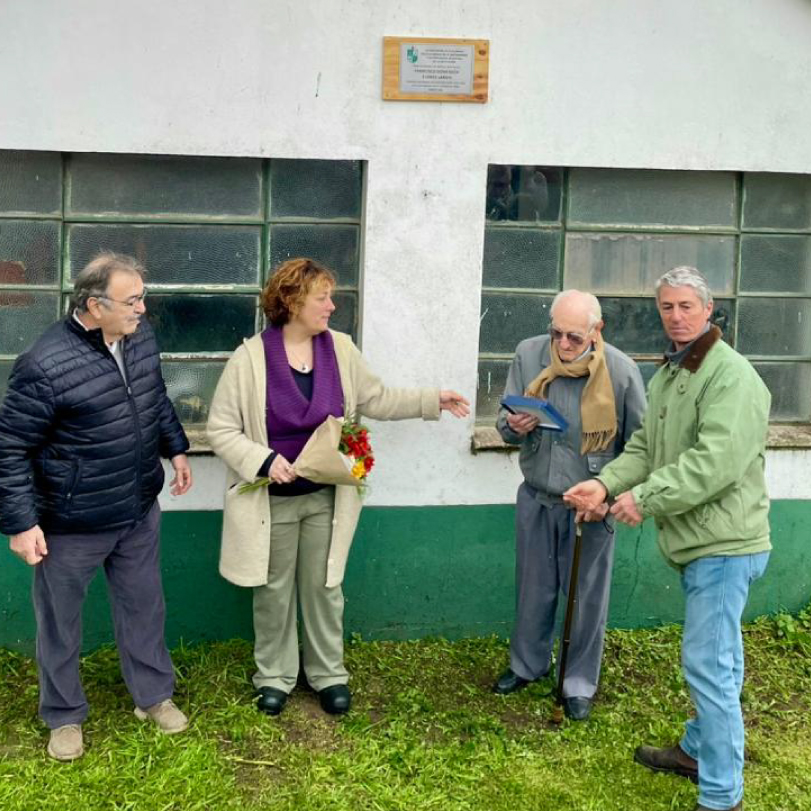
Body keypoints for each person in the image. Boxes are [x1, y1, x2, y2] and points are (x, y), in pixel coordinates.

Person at [206, 257, 469, 718]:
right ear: (291, 301)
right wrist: (266, 461)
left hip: (326, 497)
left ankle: (328, 674)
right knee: (272, 591)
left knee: (326, 587)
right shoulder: (249, 359)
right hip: (273, 501)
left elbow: (377, 399)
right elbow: (222, 430)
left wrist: (433, 400)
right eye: (322, 297)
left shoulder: (340, 349)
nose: (331, 305)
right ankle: (275, 676)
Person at [564, 267, 771, 811]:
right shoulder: (672, 376)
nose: (675, 316)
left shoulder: (732, 377)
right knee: (718, 659)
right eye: (666, 307)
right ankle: (699, 749)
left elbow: (714, 464)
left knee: (709, 663)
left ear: (709, 310)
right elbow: (644, 448)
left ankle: (721, 795)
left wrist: (645, 499)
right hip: (700, 541)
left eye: (685, 306)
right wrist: (605, 482)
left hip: (726, 545)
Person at [0, 252, 193, 762]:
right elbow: (10, 447)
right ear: (93, 304)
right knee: (60, 621)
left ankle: (152, 696)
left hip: (135, 508)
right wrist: (21, 524)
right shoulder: (44, 364)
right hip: (70, 522)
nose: (143, 310)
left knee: (144, 606)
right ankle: (63, 716)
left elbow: (155, 398)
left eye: (142, 298)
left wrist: (175, 448)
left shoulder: (139, 338)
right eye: (132, 301)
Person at [492, 290, 645, 721]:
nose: (562, 344)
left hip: (589, 507)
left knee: (585, 597)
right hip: (538, 494)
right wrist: (514, 425)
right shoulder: (528, 355)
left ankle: (578, 683)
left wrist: (607, 493)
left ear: (597, 331)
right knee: (533, 588)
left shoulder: (621, 371)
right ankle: (527, 665)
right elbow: (504, 424)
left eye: (574, 337)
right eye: (555, 333)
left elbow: (639, 448)